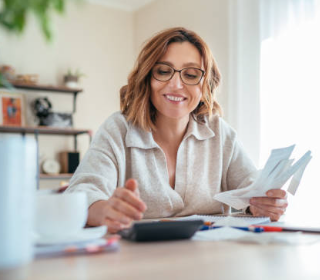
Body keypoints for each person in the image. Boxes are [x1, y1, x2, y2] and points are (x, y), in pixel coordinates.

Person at [66, 27, 288, 233]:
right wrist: (104, 210)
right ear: (147, 78)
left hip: (210, 262)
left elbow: (251, 192)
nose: (176, 84)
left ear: (205, 86)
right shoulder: (117, 129)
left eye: (191, 75)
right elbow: (81, 194)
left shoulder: (220, 132)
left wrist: (263, 205)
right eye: (163, 71)